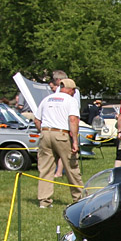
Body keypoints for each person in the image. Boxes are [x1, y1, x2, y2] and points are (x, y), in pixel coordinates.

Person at [34, 78, 83, 208]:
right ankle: (79, 198)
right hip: (61, 134)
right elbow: (73, 120)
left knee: (45, 169)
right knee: (71, 167)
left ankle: (44, 201)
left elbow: (37, 120)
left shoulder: (47, 99)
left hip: (45, 133)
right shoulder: (71, 100)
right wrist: (75, 141)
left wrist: (44, 132)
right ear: (71, 90)